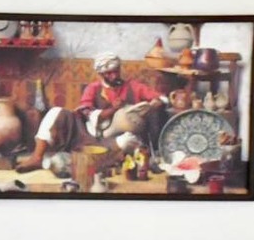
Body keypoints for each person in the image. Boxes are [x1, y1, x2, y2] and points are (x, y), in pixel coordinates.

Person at [15, 52, 166, 174]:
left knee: (128, 142)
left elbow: (160, 97)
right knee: (56, 112)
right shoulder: (93, 88)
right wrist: (112, 109)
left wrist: (158, 101)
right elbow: (86, 111)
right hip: (86, 133)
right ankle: (37, 157)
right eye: (109, 73)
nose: (114, 76)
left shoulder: (133, 86)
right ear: (101, 74)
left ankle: (93, 163)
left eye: (116, 71)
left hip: (113, 139)